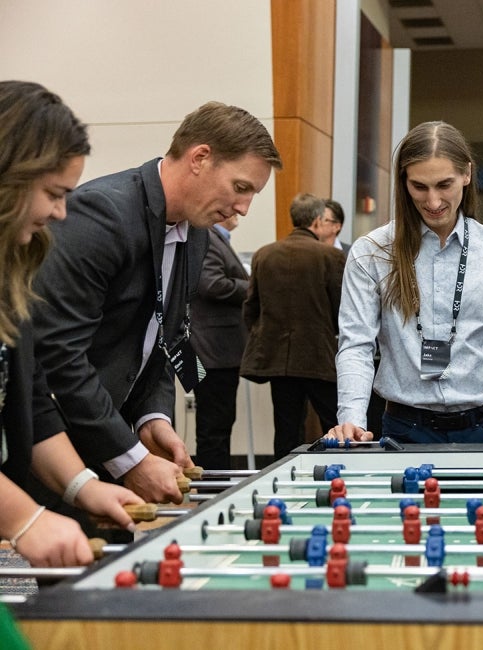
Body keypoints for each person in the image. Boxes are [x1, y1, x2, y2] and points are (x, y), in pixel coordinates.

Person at [31, 101, 281, 505]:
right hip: (58, 444)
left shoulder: (196, 232)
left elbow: (166, 334)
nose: (243, 208)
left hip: (113, 439)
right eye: (241, 187)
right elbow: (60, 355)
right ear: (200, 158)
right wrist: (130, 459)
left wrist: (153, 418)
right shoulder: (103, 215)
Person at [0, 80, 142, 569]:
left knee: (29, 622)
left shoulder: (11, 271)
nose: (61, 212)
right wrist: (25, 519)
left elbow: (32, 401)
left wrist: (84, 487)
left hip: (7, 537)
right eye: (53, 194)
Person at [329, 121, 483, 445]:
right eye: (419, 187)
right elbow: (355, 345)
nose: (433, 200)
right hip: (402, 428)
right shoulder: (371, 252)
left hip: (482, 427)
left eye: (444, 184)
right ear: (403, 182)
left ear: (466, 174)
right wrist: (351, 418)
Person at [240, 192, 345, 459]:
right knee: (335, 425)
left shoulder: (264, 255)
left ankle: (282, 487)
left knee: (286, 431)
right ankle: (337, 479)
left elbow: (251, 308)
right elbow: (342, 310)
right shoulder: (330, 257)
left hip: (280, 360)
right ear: (318, 220)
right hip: (319, 356)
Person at [189, 214, 249, 470]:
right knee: (214, 427)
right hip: (212, 351)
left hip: (211, 350)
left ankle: (215, 488)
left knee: (217, 424)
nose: (240, 210)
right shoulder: (208, 238)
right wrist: (254, 286)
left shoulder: (214, 238)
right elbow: (212, 284)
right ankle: (213, 492)